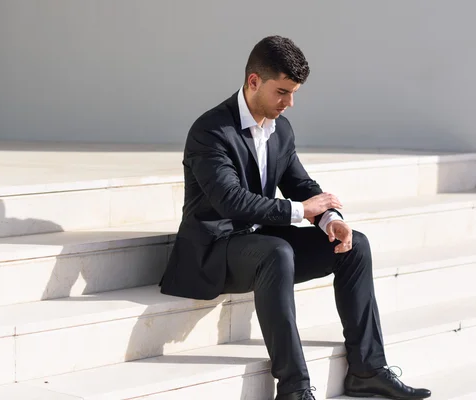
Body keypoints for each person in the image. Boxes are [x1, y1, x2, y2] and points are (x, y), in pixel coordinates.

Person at [159, 35, 431, 400]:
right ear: (253, 81)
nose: (289, 103)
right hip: (214, 250)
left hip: (263, 244)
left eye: (294, 93)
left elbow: (300, 184)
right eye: (282, 92)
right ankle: (294, 389)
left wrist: (329, 219)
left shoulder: (279, 128)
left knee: (354, 246)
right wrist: (301, 211)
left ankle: (367, 369)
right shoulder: (210, 131)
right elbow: (230, 201)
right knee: (276, 252)